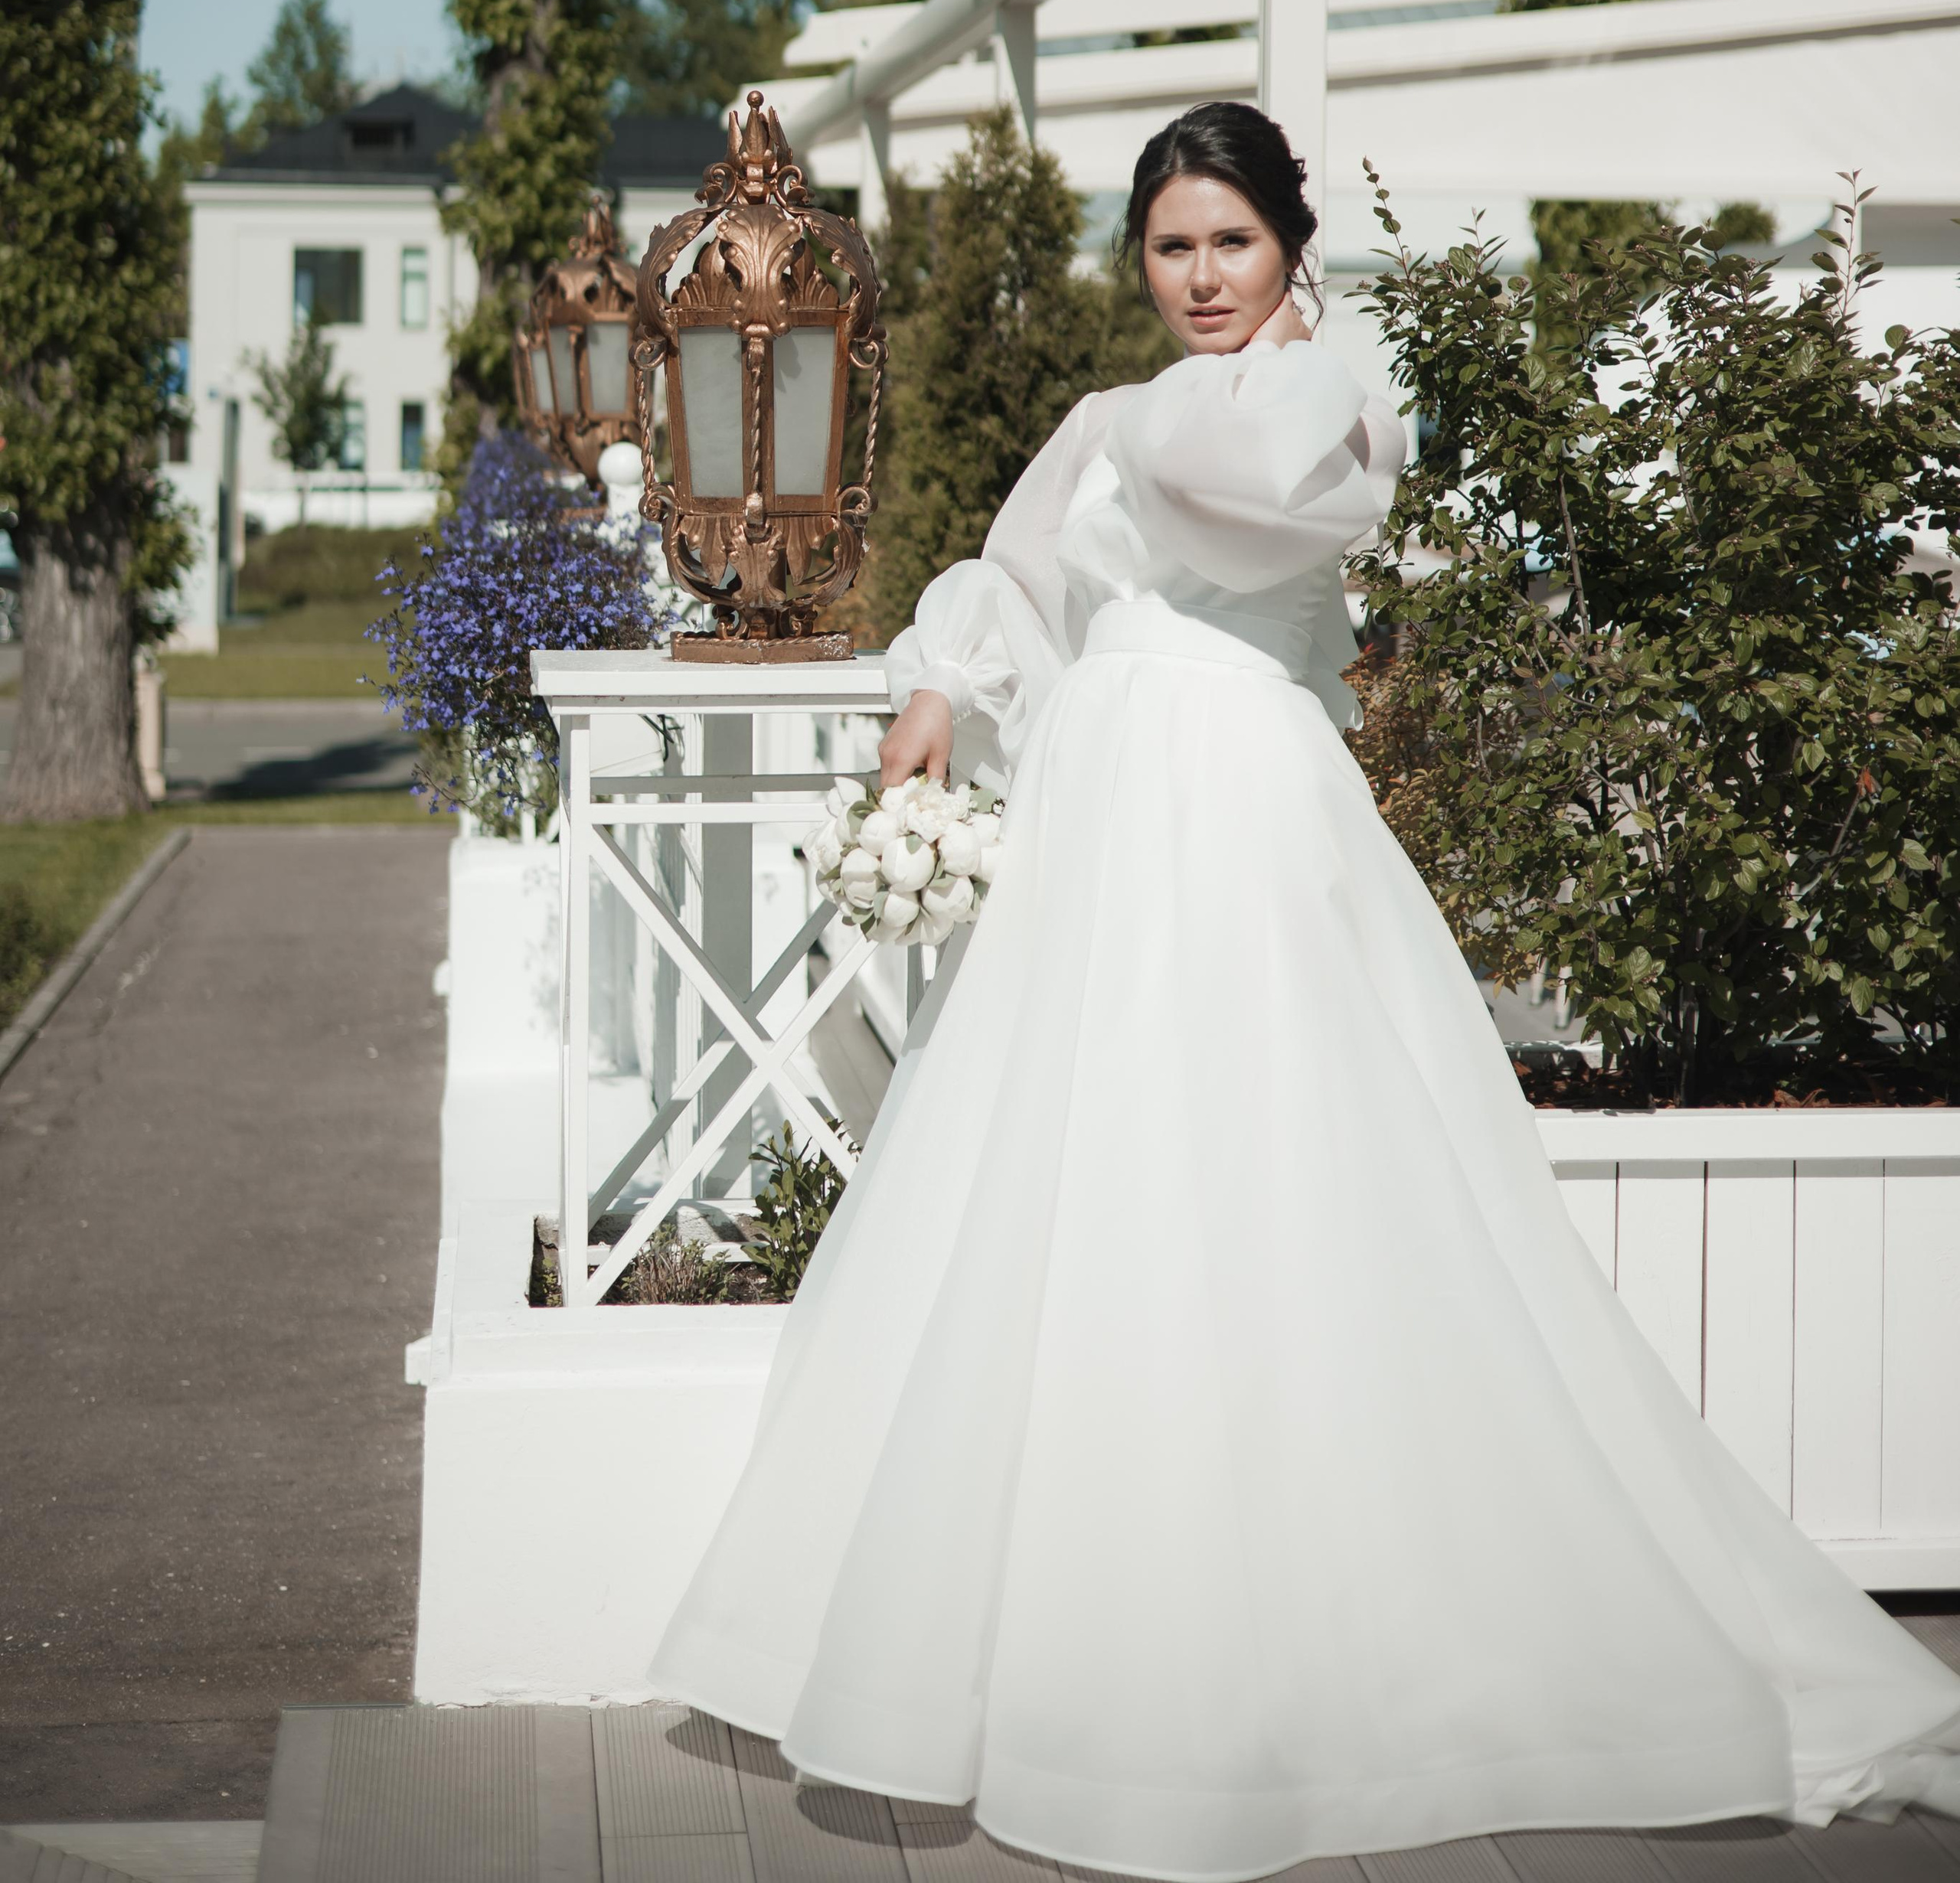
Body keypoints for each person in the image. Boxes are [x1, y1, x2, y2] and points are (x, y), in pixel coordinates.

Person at [651, 101, 1960, 1878]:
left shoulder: (1322, 403)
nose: (1199, 277)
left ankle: (1298, 1650)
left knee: (1270, 1173)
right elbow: (1020, 575)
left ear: (1285, 248)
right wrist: (940, 689)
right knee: (1074, 1195)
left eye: (1231, 243)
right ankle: (1055, 1637)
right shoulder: (1117, 419)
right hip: (1100, 828)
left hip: (1240, 812)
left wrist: (1157, 415)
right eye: (1169, 247)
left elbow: (1259, 523)